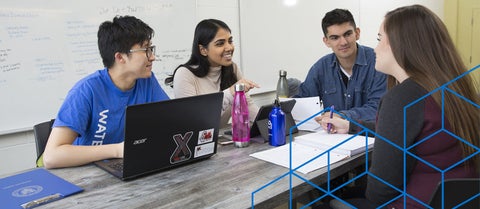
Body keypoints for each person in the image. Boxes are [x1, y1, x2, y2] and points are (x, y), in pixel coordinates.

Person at [318, 5, 480, 209]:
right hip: (456, 199)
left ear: (401, 45)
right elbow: (411, 131)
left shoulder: (403, 97)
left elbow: (379, 193)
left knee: (327, 202)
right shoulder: (452, 86)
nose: (375, 49)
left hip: (413, 202)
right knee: (350, 191)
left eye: (379, 39)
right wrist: (351, 126)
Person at [42, 16, 169, 169]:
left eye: (151, 49)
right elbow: (51, 157)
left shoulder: (146, 81)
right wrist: (116, 150)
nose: (153, 57)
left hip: (127, 168)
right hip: (87, 174)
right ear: (120, 57)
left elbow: (172, 121)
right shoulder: (86, 90)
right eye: (146, 50)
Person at [296, 9, 387, 122]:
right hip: (331, 136)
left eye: (347, 34)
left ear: (357, 33)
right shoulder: (320, 68)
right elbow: (303, 102)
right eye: (335, 37)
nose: (343, 42)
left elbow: (380, 109)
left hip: (368, 136)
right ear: (326, 41)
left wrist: (343, 116)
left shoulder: (379, 63)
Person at [165, 19, 259, 127]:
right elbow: (194, 120)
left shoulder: (232, 68)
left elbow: (248, 106)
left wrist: (272, 122)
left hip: (220, 140)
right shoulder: (184, 74)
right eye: (220, 43)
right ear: (203, 50)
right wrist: (230, 93)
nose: (229, 47)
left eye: (230, 41)